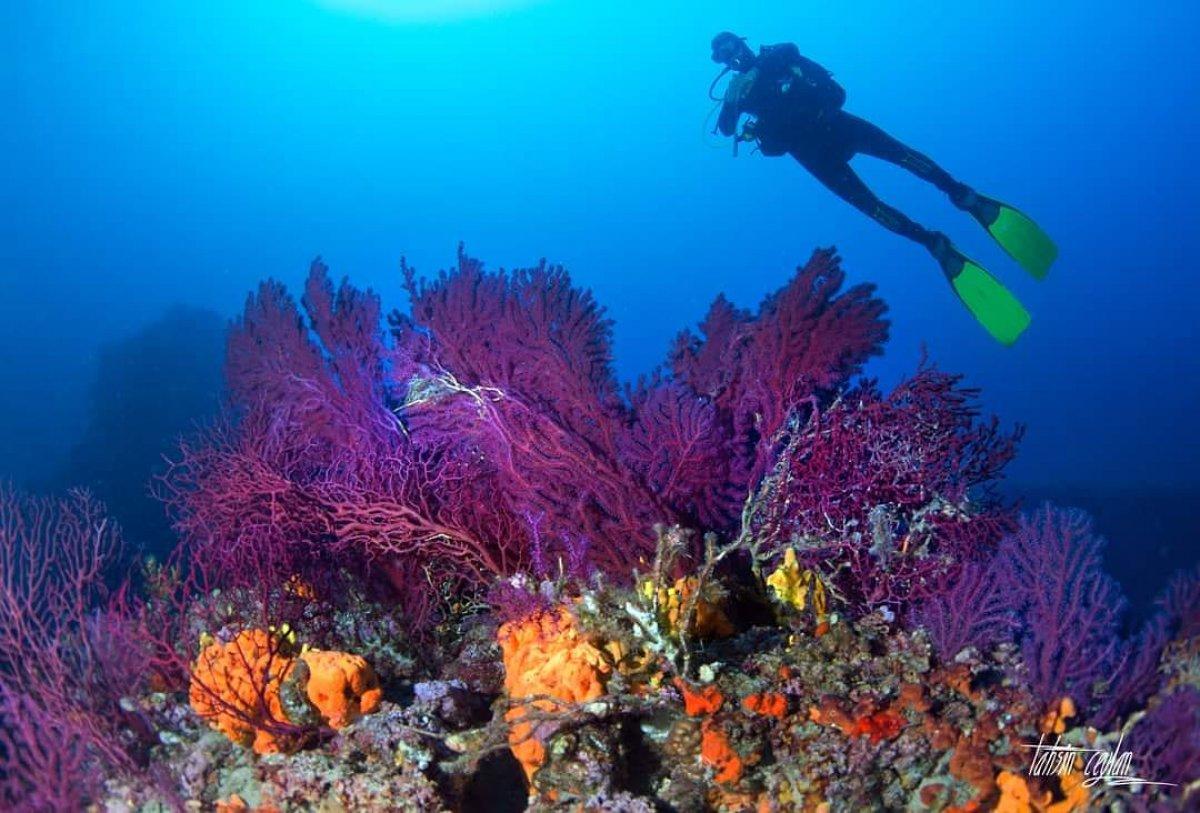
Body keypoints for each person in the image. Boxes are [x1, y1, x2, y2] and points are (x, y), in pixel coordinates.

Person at [709, 32, 1056, 345]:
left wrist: (765, 72)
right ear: (724, 64)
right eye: (726, 56)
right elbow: (726, 130)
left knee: (903, 156)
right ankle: (934, 244)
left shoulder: (777, 57)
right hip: (812, 154)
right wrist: (732, 101)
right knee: (873, 208)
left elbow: (807, 65)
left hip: (835, 125)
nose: (734, 57)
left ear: (744, 43)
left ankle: (963, 196)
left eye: (734, 47)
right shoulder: (740, 91)